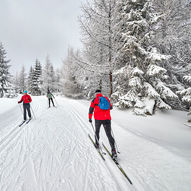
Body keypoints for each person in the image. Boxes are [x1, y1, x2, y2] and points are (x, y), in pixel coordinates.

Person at [88, 89, 117, 158]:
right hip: (107, 119)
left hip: (98, 119)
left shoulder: (94, 100)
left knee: (97, 131)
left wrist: (90, 118)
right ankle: (113, 150)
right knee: (109, 134)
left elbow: (91, 110)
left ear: (96, 94)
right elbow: (111, 107)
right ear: (101, 93)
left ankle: (97, 144)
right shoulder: (106, 98)